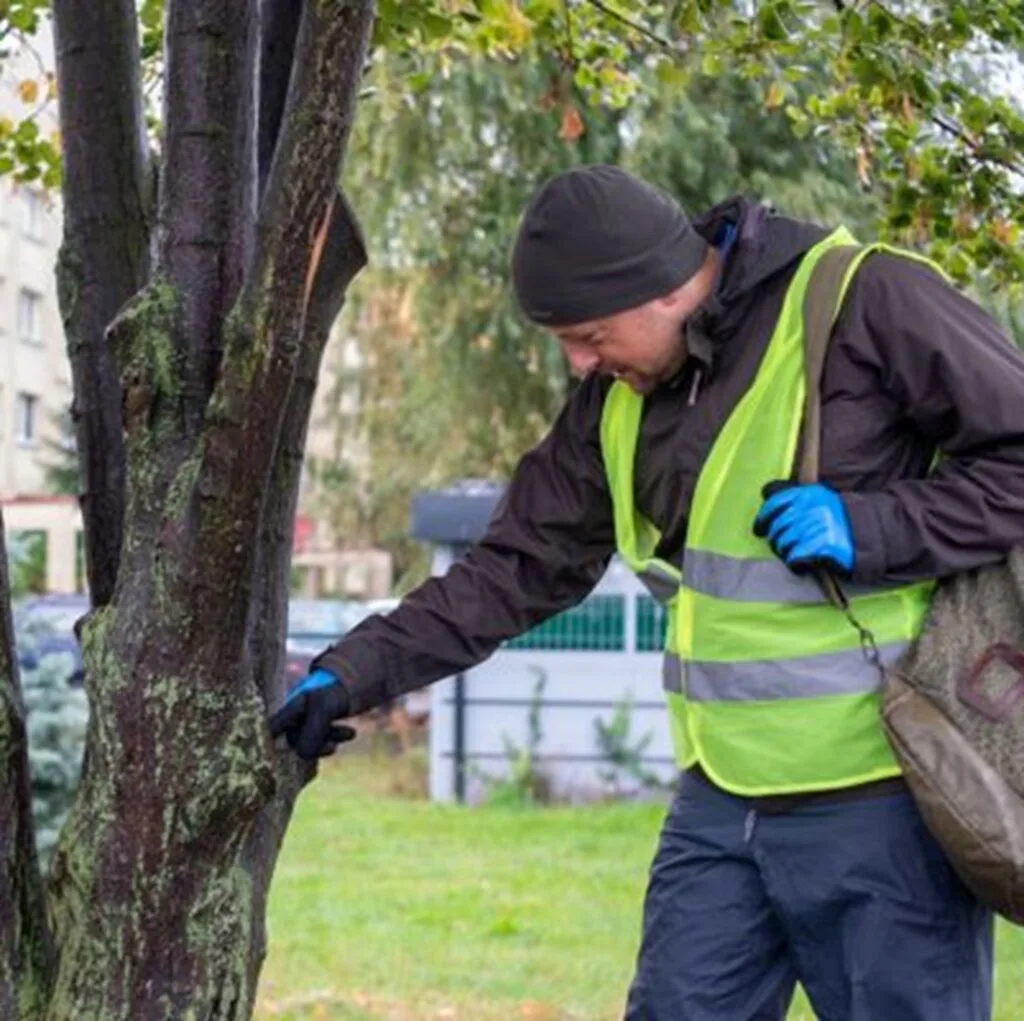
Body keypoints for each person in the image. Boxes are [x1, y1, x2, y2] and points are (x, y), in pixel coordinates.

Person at [270, 164, 1024, 1020]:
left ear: (662, 287)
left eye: (589, 334)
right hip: (722, 809)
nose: (579, 363)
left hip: (883, 804)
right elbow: (511, 568)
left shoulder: (865, 300)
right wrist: (351, 671)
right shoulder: (613, 400)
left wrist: (875, 525)